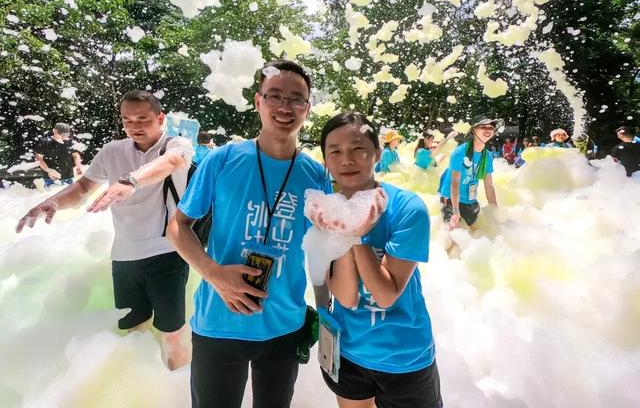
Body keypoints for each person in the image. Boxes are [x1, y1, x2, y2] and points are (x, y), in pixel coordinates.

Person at [167, 60, 332, 408]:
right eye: (275, 96)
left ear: (308, 108)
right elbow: (177, 227)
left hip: (284, 327)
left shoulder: (316, 176)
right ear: (258, 101)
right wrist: (214, 274)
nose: (285, 107)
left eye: (296, 99)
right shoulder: (223, 159)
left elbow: (321, 255)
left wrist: (329, 319)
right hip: (218, 322)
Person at [16, 90, 194, 370]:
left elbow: (171, 164)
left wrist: (131, 181)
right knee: (134, 332)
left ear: (161, 118)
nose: (135, 126)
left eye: (143, 119)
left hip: (167, 253)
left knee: (171, 333)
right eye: (127, 120)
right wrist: (52, 202)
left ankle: (178, 383)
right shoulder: (112, 151)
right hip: (124, 257)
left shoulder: (176, 144)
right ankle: (143, 389)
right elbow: (83, 188)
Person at [309, 112, 442, 408]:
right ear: (326, 161)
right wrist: (344, 230)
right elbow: (345, 297)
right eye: (335, 152)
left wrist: (357, 237)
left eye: (358, 148)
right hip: (349, 353)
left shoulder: (408, 208)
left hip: (404, 357)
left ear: (377, 154)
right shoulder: (326, 212)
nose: (347, 160)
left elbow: (385, 295)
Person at [438, 115, 499, 249]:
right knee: (453, 238)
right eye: (483, 127)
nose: (488, 129)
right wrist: (455, 212)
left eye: (491, 127)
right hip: (450, 198)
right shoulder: (460, 152)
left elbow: (489, 186)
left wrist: (495, 211)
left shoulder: (487, 156)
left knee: (478, 232)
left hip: (470, 199)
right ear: (473, 130)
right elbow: (454, 185)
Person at [34, 122, 83, 187]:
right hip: (50, 178)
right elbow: (38, 159)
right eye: (61, 134)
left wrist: (78, 166)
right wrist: (48, 170)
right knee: (53, 195)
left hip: (68, 177)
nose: (63, 136)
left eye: (65, 134)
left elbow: (76, 155)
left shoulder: (69, 142)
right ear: (54, 131)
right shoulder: (45, 142)